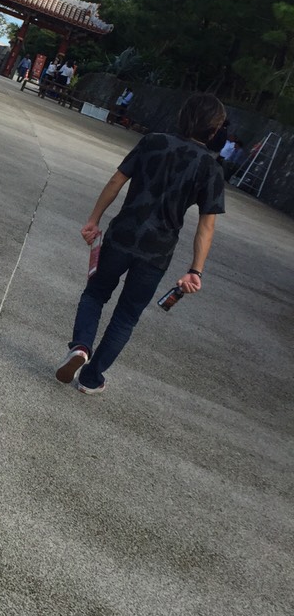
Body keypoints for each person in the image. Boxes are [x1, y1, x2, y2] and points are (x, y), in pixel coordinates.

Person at [55, 93, 226, 394]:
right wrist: (195, 271)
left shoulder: (153, 142)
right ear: (213, 131)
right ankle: (91, 379)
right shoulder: (210, 168)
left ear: (182, 116)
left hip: (122, 235)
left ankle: (81, 346)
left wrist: (94, 219)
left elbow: (116, 181)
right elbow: (206, 226)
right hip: (157, 251)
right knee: (126, 316)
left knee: (95, 294)